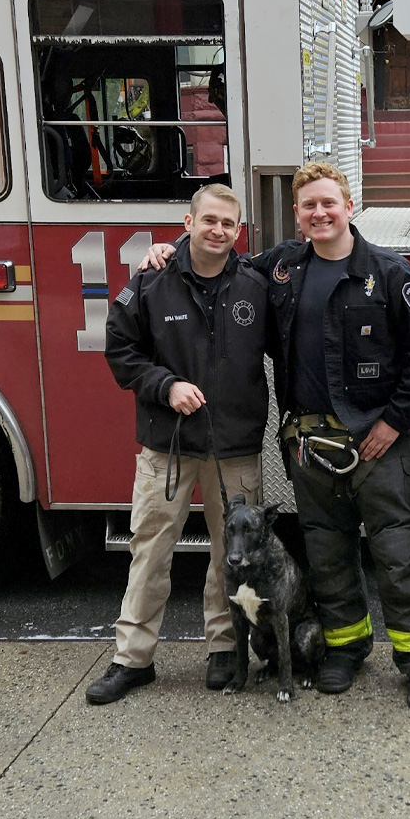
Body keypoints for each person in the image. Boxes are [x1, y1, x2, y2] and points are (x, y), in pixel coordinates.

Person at [254, 161, 410, 710]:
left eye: (328, 203)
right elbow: (218, 261)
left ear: (349, 207)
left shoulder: (390, 273)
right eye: (309, 206)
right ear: (297, 214)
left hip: (375, 441)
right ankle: (345, 648)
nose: (320, 213)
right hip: (309, 444)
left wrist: (394, 422)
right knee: (328, 553)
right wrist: (170, 248)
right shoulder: (284, 269)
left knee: (398, 553)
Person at [86, 183, 269, 704]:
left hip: (233, 445)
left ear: (239, 231)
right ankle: (132, 659)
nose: (218, 231)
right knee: (150, 549)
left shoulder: (255, 284)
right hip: (166, 444)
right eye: (208, 220)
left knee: (231, 554)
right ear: (187, 224)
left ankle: (224, 650)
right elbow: (120, 350)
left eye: (228, 224)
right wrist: (165, 386)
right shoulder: (149, 281)